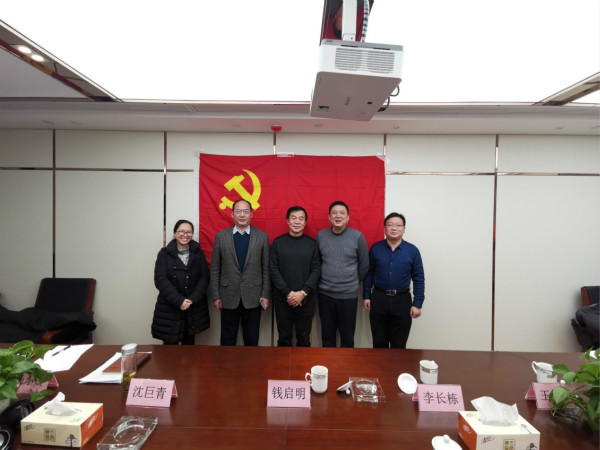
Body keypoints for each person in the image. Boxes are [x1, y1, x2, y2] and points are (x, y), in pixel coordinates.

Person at [209, 199, 270, 346]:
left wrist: (265, 294)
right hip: (228, 296)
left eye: (245, 211)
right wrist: (216, 296)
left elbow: (266, 269)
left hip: (254, 296)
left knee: (252, 340)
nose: (242, 215)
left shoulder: (262, 236)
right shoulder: (221, 236)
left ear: (251, 214)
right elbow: (215, 269)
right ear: (232, 214)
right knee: (227, 340)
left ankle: (251, 363)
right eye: (238, 211)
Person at [363, 212, 425, 349]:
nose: (394, 228)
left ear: (404, 229)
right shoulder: (376, 248)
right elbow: (369, 273)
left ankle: (397, 364)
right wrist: (366, 295)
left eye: (398, 225)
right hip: (379, 299)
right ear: (384, 228)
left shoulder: (412, 251)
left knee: (399, 344)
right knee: (379, 343)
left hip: (402, 301)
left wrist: (417, 304)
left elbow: (419, 278)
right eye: (390, 225)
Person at [317, 200, 369, 347]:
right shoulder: (321, 236)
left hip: (348, 296)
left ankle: (347, 363)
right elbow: (316, 263)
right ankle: (327, 362)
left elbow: (364, 265)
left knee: (347, 337)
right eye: (334, 213)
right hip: (325, 295)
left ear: (348, 217)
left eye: (342, 213)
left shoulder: (357, 236)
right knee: (327, 336)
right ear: (329, 217)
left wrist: (352, 283)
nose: (338, 216)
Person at [152, 219, 210, 345]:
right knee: (169, 349)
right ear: (174, 233)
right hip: (169, 308)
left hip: (192, 307)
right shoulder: (164, 254)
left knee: (189, 346)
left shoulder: (198, 253)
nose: (185, 235)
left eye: (189, 232)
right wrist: (180, 301)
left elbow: (204, 277)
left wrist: (191, 300)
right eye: (181, 231)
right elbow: (160, 280)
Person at [270, 206, 321, 347]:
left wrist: (303, 293)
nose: (297, 222)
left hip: (306, 298)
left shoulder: (312, 244)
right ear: (287, 221)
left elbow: (316, 270)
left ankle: (302, 363)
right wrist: (288, 293)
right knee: (284, 337)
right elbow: (273, 269)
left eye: (301, 218)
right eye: (293, 218)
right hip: (282, 298)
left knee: (304, 338)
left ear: (305, 222)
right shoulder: (278, 242)